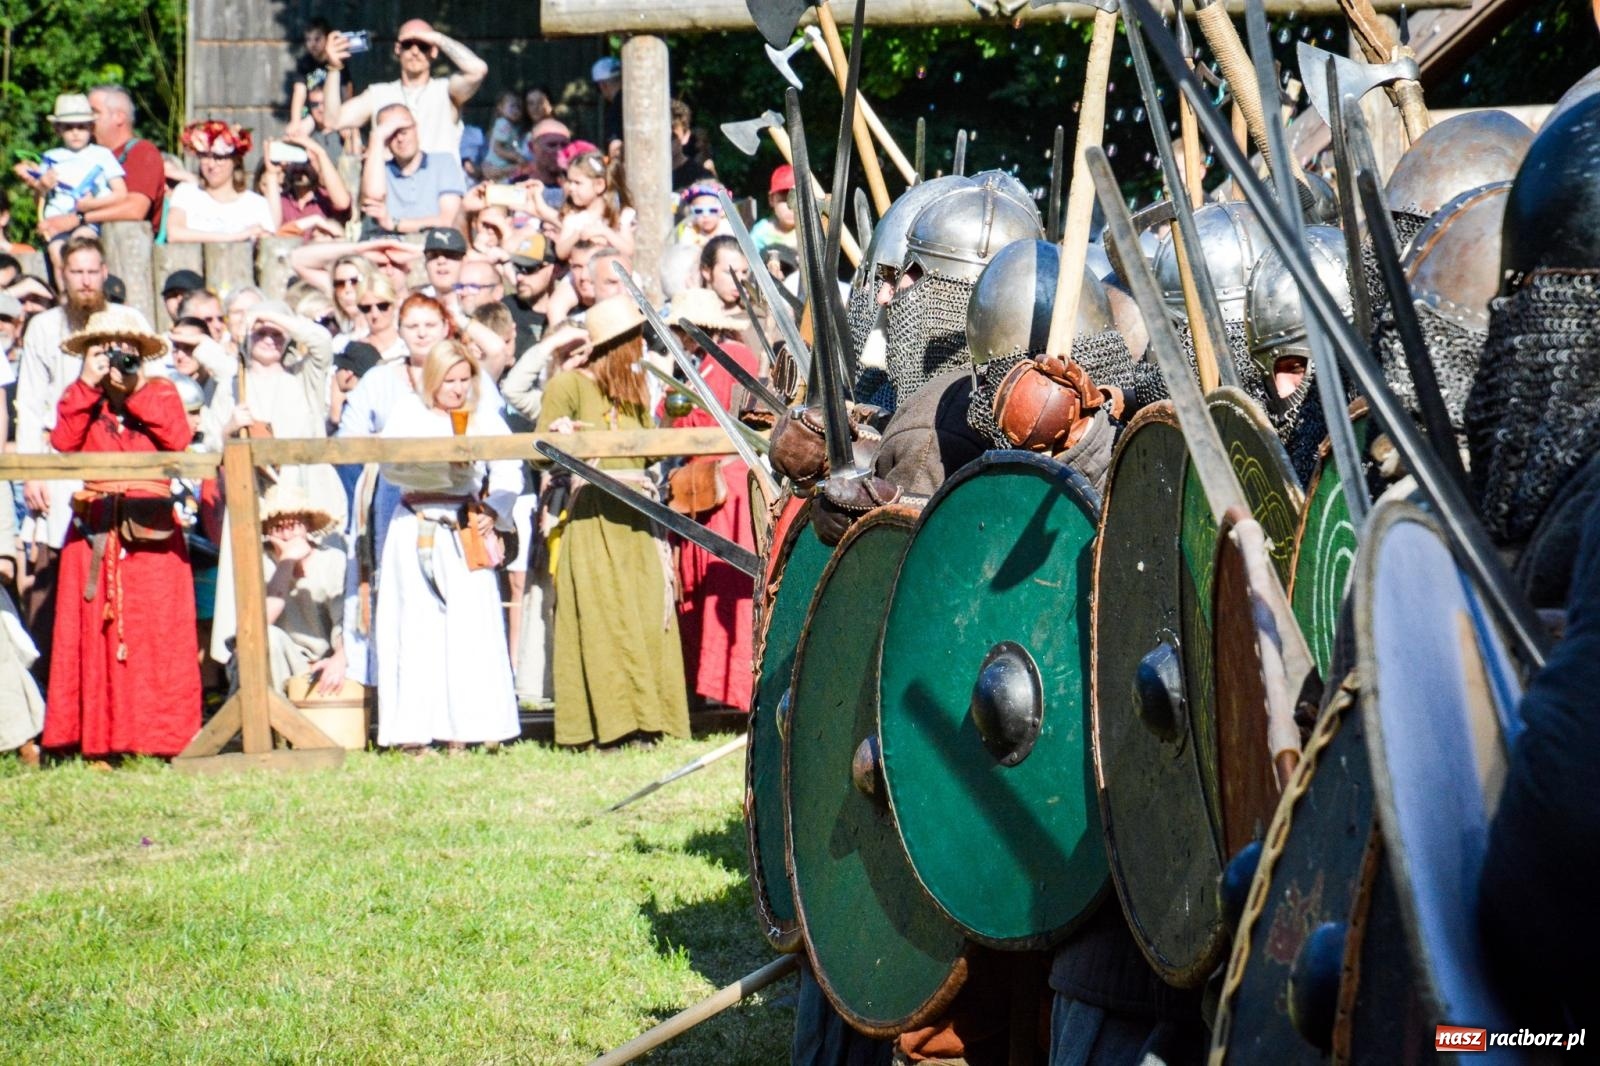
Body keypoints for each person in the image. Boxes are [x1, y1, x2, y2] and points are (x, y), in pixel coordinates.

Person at [43, 307, 200, 761]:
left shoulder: (162, 391)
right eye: (105, 350)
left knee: (158, 638)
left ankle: (161, 740)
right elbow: (64, 441)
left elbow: (177, 437)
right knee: (93, 639)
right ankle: (97, 740)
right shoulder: (81, 399)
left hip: (150, 533)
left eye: (126, 351)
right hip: (95, 527)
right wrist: (88, 386)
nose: (117, 359)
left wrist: (133, 390)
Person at [537, 296, 690, 749]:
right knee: (604, 618)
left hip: (636, 514)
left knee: (646, 615)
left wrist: (668, 423)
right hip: (593, 516)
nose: (641, 349)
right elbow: (541, 451)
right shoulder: (567, 385)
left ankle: (651, 720)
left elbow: (648, 455)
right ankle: (610, 726)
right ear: (618, 345)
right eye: (635, 341)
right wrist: (563, 437)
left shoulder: (635, 389)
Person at [15, 237, 148, 688]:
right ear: (63, 276)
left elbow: (152, 393)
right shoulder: (44, 328)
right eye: (77, 272)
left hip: (117, 463)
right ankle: (53, 692)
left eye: (93, 272)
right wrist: (33, 470)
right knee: (53, 579)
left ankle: (116, 688)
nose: (87, 281)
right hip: (59, 466)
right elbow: (31, 406)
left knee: (123, 578)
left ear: (105, 272)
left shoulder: (129, 322)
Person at [375, 340, 520, 753]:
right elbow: (392, 466)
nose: (456, 389)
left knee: (472, 626)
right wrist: (440, 469)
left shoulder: (483, 415)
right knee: (416, 627)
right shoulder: (408, 411)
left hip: (464, 524)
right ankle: (413, 732)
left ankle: (470, 728)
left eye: (463, 380)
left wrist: (494, 508)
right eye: (448, 381)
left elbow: (510, 469)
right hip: (416, 522)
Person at [667, 289, 759, 712]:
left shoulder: (731, 355)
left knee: (729, 584)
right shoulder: (697, 363)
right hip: (702, 482)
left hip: (728, 481)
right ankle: (711, 688)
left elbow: (705, 416)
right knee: (706, 585)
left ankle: (735, 690)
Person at [323, 20, 488, 165]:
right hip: (393, 194)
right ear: (397, 49)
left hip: (440, 195)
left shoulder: (445, 90)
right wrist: (333, 68)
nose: (415, 51)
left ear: (434, 51)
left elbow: (478, 70)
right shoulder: (379, 93)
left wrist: (437, 38)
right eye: (408, 44)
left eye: (423, 46)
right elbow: (333, 120)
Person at [255, 483, 347, 697]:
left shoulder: (333, 561)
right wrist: (287, 562)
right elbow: (258, 626)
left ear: (306, 525)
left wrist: (340, 657)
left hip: (326, 661)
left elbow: (346, 622)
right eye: (279, 527)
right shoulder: (262, 562)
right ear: (268, 531)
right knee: (267, 637)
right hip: (280, 664)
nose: (287, 534)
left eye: (294, 525)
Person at [14, 94, 128, 260]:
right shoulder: (51, 157)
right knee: (56, 253)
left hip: (90, 222)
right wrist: (42, 186)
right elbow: (40, 200)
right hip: (56, 220)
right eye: (68, 127)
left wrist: (90, 205)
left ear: (91, 128)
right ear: (58, 129)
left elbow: (121, 193)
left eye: (81, 127)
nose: (75, 133)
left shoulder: (102, 155)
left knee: (82, 249)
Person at [360, 104, 465, 236]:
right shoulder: (378, 171)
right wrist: (376, 139)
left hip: (430, 248)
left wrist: (393, 223)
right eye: (391, 134)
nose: (400, 139)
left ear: (416, 128)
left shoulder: (444, 163)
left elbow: (447, 221)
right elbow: (373, 199)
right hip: (387, 248)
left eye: (404, 131)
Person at [166, 121, 279, 242]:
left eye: (219, 157)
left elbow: (273, 230)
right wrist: (235, 237)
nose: (211, 164)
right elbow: (174, 233)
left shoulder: (255, 204)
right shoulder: (186, 192)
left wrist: (271, 174)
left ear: (235, 160)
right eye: (205, 156)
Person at [269, 132, 352, 237]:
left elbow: (343, 203)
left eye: (307, 161)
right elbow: (271, 227)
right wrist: (271, 173)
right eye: (295, 160)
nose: (301, 167)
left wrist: (320, 153)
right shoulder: (281, 200)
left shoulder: (327, 198)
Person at [669, 100, 716, 192]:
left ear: (686, 136)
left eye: (672, 136)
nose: (666, 142)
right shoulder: (636, 173)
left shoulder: (702, 178)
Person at [750, 164, 797, 253]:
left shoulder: (811, 232)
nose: (791, 207)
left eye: (796, 200)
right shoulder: (761, 233)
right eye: (784, 200)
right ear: (771, 199)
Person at [483, 91, 528, 181]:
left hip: (501, 163)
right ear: (500, 108)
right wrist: (516, 157)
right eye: (512, 106)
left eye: (519, 107)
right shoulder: (504, 124)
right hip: (497, 163)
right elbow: (497, 148)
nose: (516, 110)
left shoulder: (512, 126)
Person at [674, 183, 732, 248]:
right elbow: (684, 251)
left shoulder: (727, 228)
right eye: (699, 211)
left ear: (722, 211)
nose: (705, 215)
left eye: (712, 210)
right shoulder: (691, 230)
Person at [420, 226, 467, 301]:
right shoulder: (414, 305)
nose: (441, 261)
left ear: (465, 262)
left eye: (450, 254)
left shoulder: (479, 303)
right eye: (433, 255)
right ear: (425, 263)